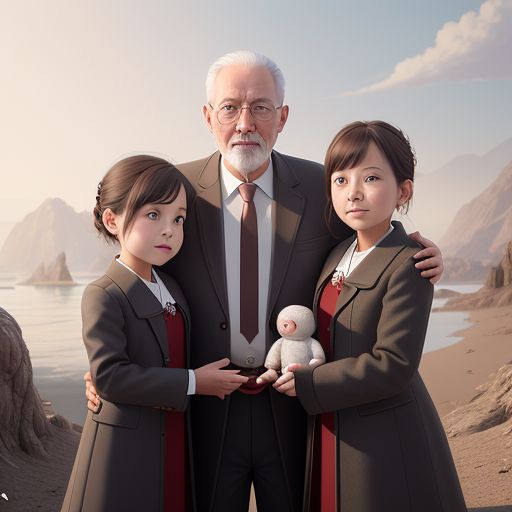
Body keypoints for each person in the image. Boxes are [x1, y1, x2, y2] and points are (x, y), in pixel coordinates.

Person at [85, 52, 444, 512]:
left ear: (283, 117)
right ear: (208, 116)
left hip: (298, 407)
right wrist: (104, 365)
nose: (245, 123)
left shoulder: (324, 187)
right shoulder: (177, 192)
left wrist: (419, 249)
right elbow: (136, 267)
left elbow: (368, 238)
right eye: (230, 107)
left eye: (260, 107)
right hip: (207, 405)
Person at [272, 121, 467, 511]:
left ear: (403, 190)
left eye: (372, 177)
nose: (353, 193)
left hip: (384, 435)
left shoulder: (410, 264)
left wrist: (308, 382)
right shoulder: (336, 252)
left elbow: (395, 364)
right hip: (333, 425)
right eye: (340, 180)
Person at [62, 156, 247, 512]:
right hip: (125, 444)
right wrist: (194, 382)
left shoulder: (172, 287)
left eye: (178, 219)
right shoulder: (103, 294)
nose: (169, 229)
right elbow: (110, 376)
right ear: (112, 220)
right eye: (153, 215)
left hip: (172, 437)